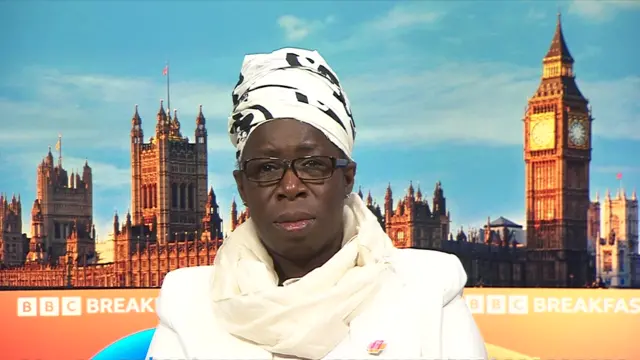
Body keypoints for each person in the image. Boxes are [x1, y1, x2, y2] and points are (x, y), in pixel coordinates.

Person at [146, 47, 487, 360]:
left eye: (312, 165)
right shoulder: (187, 302)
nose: (290, 187)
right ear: (243, 188)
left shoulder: (428, 288)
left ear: (347, 178)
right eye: (266, 168)